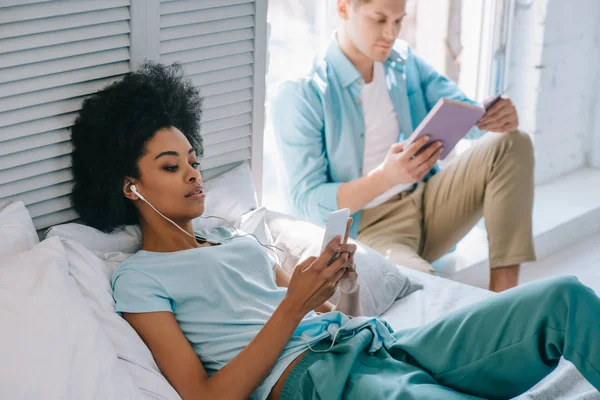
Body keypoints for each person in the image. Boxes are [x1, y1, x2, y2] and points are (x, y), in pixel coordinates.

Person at [69, 62, 600, 400]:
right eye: (169, 166)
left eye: (192, 159)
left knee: (566, 299)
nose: (193, 173)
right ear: (130, 187)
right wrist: (295, 305)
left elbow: (320, 314)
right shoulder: (138, 280)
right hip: (313, 381)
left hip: (372, 343)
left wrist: (337, 282)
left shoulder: (230, 237)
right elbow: (206, 397)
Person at [272, 0, 535, 292]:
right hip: (371, 230)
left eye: (398, 21)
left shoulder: (402, 61)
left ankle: (505, 295)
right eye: (380, 19)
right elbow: (306, 203)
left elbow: (465, 114)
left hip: (428, 201)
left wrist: (490, 115)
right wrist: (386, 177)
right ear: (344, 9)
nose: (391, 34)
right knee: (428, 296)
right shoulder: (302, 92)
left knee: (511, 142)